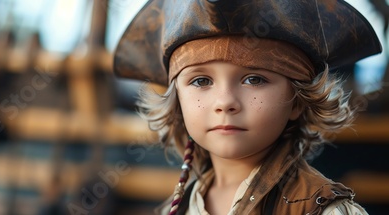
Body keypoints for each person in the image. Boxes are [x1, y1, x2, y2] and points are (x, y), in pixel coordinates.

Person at [113, 0, 382, 214]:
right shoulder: (176, 209)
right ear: (178, 102)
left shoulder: (321, 210)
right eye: (201, 80)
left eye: (254, 79)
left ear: (297, 101)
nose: (225, 102)